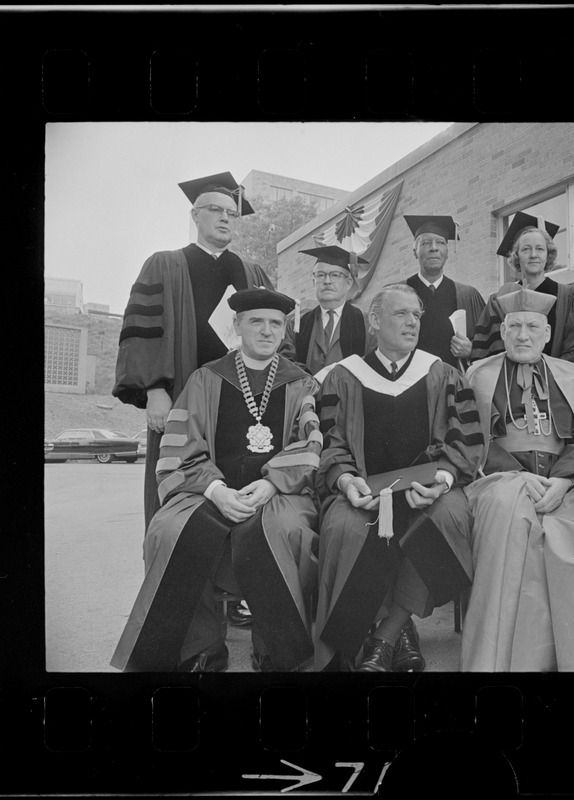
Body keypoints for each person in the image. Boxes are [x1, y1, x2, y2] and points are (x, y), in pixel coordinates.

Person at [111, 288, 321, 673]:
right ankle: (201, 648)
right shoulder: (206, 378)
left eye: (276, 323)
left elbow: (309, 444)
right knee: (169, 529)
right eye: (256, 321)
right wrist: (215, 490)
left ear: (285, 330)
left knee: (287, 528)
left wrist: (272, 484)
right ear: (237, 325)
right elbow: (179, 446)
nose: (266, 330)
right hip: (205, 487)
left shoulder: (301, 383)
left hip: (278, 491)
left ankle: (274, 649)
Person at [462, 288, 574, 672]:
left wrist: (563, 480)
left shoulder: (571, 375)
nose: (523, 335)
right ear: (503, 330)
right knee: (511, 515)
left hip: (566, 478)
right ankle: (509, 662)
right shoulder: (478, 375)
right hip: (501, 477)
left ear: (547, 334)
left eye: (532, 327)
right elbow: (475, 440)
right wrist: (517, 476)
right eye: (514, 326)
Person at [313, 283, 484, 672]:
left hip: (431, 488)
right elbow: (330, 442)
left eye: (417, 316)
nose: (412, 323)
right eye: (401, 314)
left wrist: (443, 477)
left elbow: (466, 439)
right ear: (374, 321)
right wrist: (343, 480)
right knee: (343, 524)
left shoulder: (441, 373)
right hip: (364, 489)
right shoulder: (343, 376)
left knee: (449, 517)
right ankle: (394, 632)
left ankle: (386, 635)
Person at [113, 172, 273, 529]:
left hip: (243, 399)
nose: (225, 218)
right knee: (178, 490)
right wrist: (154, 391)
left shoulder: (253, 272)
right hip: (180, 394)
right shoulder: (165, 264)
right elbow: (142, 331)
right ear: (195, 216)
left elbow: (277, 338)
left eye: (232, 214)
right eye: (215, 209)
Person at [471, 212, 574, 367]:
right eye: (526, 249)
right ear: (516, 256)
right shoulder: (500, 299)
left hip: (555, 383)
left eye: (540, 249)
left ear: (548, 255)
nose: (534, 255)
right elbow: (490, 351)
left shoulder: (569, 296)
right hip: (509, 384)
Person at [403, 215, 486, 371]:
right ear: (415, 251)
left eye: (440, 242)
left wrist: (471, 351)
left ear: (447, 252)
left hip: (453, 385)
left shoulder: (468, 295)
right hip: (406, 385)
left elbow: (488, 345)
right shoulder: (397, 293)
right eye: (426, 243)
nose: (434, 248)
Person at [287, 245, 372, 377]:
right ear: (313, 282)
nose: (327, 281)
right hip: (307, 395)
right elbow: (286, 365)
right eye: (320, 275)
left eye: (335, 275)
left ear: (349, 282)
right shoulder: (296, 325)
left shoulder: (367, 322)